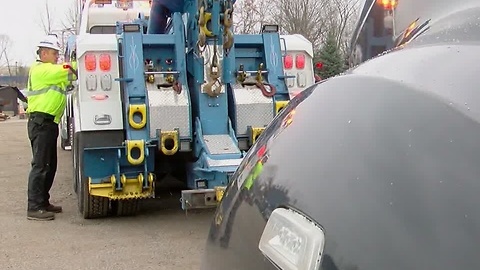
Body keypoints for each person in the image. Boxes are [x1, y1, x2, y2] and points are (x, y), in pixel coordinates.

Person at [26, 35, 77, 221]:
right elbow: (70, 68)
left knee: (49, 165)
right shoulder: (42, 70)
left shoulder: (51, 72)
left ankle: (43, 202)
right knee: (40, 166)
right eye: (55, 53)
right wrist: (84, 57)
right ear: (44, 53)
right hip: (41, 123)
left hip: (48, 123)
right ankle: (34, 207)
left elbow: (69, 76)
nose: (57, 56)